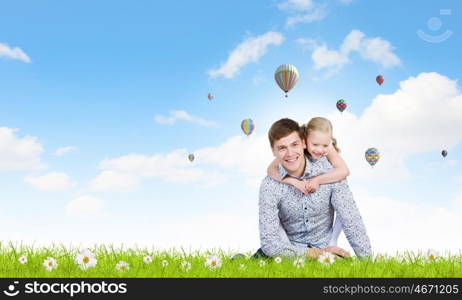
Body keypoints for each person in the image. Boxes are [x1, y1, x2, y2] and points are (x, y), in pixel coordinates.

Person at [257, 118, 371, 259]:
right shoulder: (270, 185)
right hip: (287, 251)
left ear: (303, 143)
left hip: (326, 248)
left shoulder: (332, 174)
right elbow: (270, 243)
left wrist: (367, 262)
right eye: (282, 148)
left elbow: (351, 219)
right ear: (273, 151)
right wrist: (316, 254)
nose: (290, 153)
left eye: (294, 144)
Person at [266, 117, 348, 247]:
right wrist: (292, 181)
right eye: (315, 145)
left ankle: (333, 241)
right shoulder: (294, 149)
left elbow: (344, 171)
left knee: (344, 205)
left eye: (325, 145)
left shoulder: (326, 146)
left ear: (330, 142)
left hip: (322, 236)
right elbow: (270, 169)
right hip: (294, 238)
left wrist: (317, 180)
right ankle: (287, 246)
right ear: (305, 141)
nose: (320, 149)